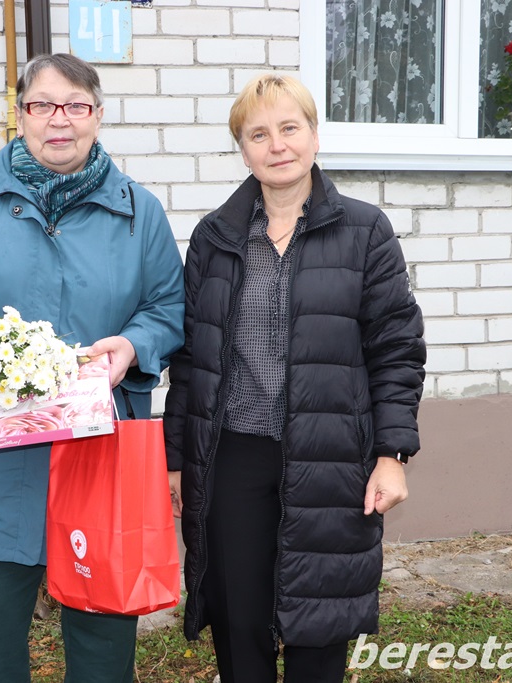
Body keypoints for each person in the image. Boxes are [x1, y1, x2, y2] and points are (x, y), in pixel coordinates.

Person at [0, 52, 184, 683]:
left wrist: (133, 346)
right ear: (19, 115)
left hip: (102, 455)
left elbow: (168, 309)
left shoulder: (140, 213)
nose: (60, 120)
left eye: (76, 106)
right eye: (42, 104)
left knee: (104, 650)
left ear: (98, 117)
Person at [163, 74, 426, 683]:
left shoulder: (365, 232)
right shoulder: (214, 237)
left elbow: (396, 351)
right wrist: (178, 458)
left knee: (320, 622)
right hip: (234, 454)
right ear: (243, 147)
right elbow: (190, 359)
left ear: (313, 134)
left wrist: (392, 454)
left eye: (289, 127)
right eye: (259, 133)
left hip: (333, 456)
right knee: (239, 619)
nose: (277, 144)